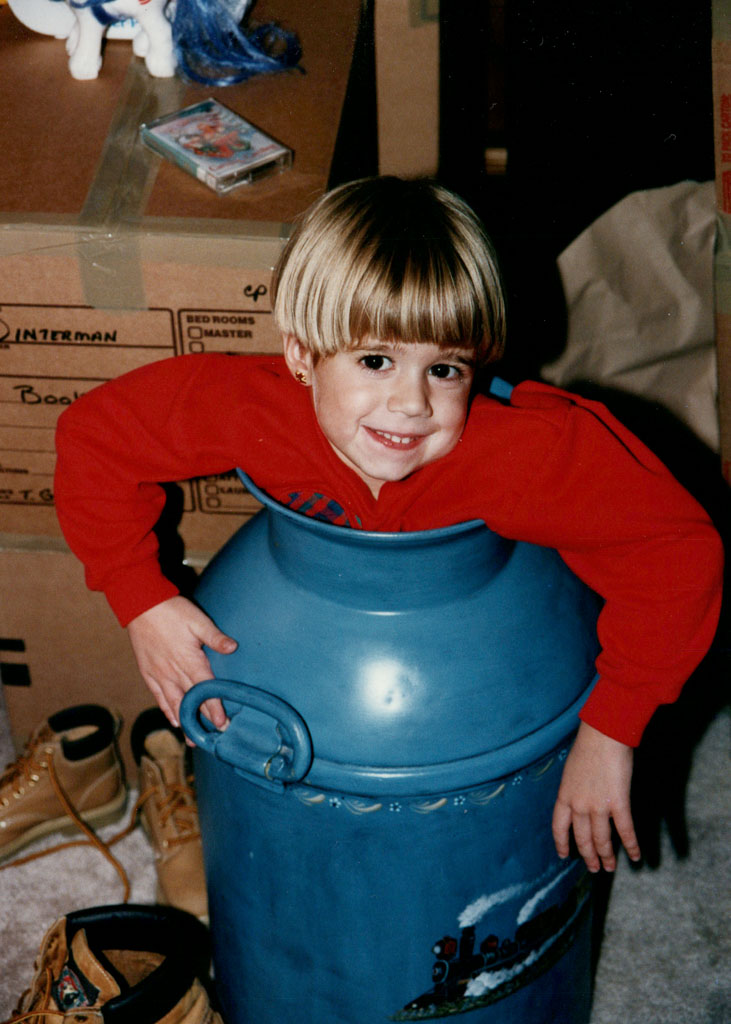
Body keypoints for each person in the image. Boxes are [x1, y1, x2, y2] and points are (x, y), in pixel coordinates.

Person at [54, 176, 723, 877]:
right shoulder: (255, 408)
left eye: (446, 369)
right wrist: (143, 600)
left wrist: (611, 727)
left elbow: (677, 550)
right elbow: (95, 436)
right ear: (302, 356)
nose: (410, 403)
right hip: (296, 606)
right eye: (376, 360)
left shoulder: (522, 453)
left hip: (482, 638)